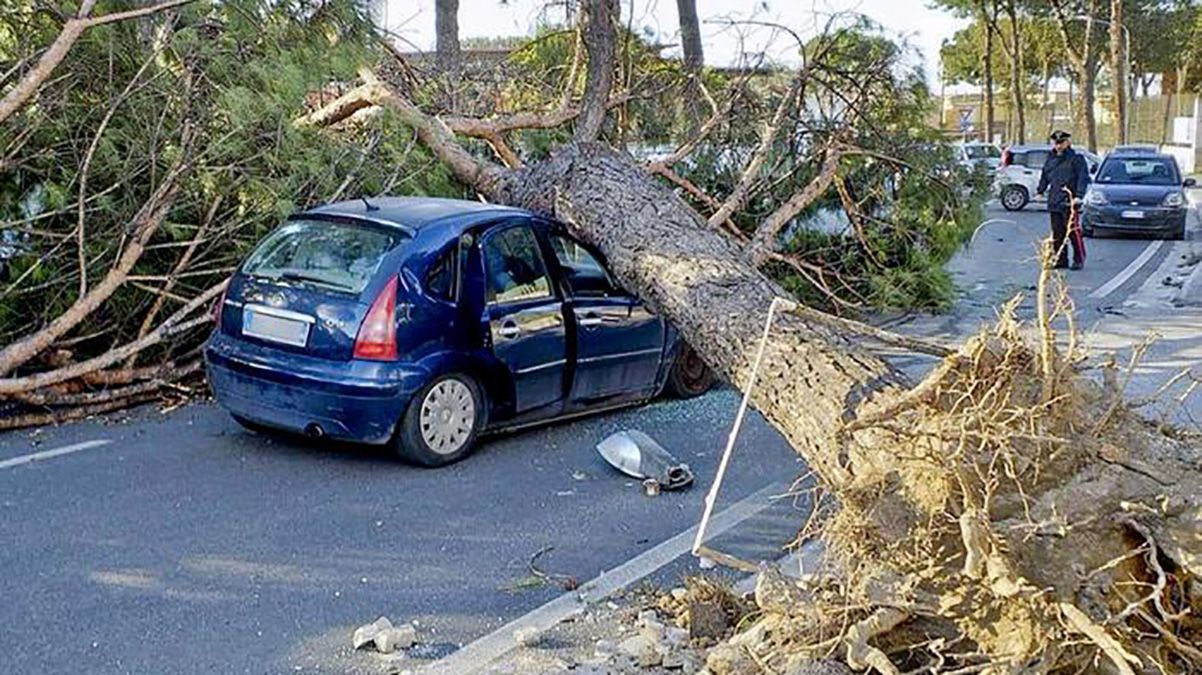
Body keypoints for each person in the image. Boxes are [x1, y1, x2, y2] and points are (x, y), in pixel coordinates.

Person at [1036, 130, 1090, 270]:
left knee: (1073, 232)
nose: (1059, 146)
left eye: (1061, 143)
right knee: (1057, 233)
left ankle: (1079, 259)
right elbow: (1045, 175)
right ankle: (1060, 259)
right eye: (1056, 143)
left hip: (1070, 201)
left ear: (1068, 142)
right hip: (1054, 200)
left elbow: (1082, 178)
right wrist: (1040, 190)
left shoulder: (1076, 159)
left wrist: (1079, 196)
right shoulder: (1051, 158)